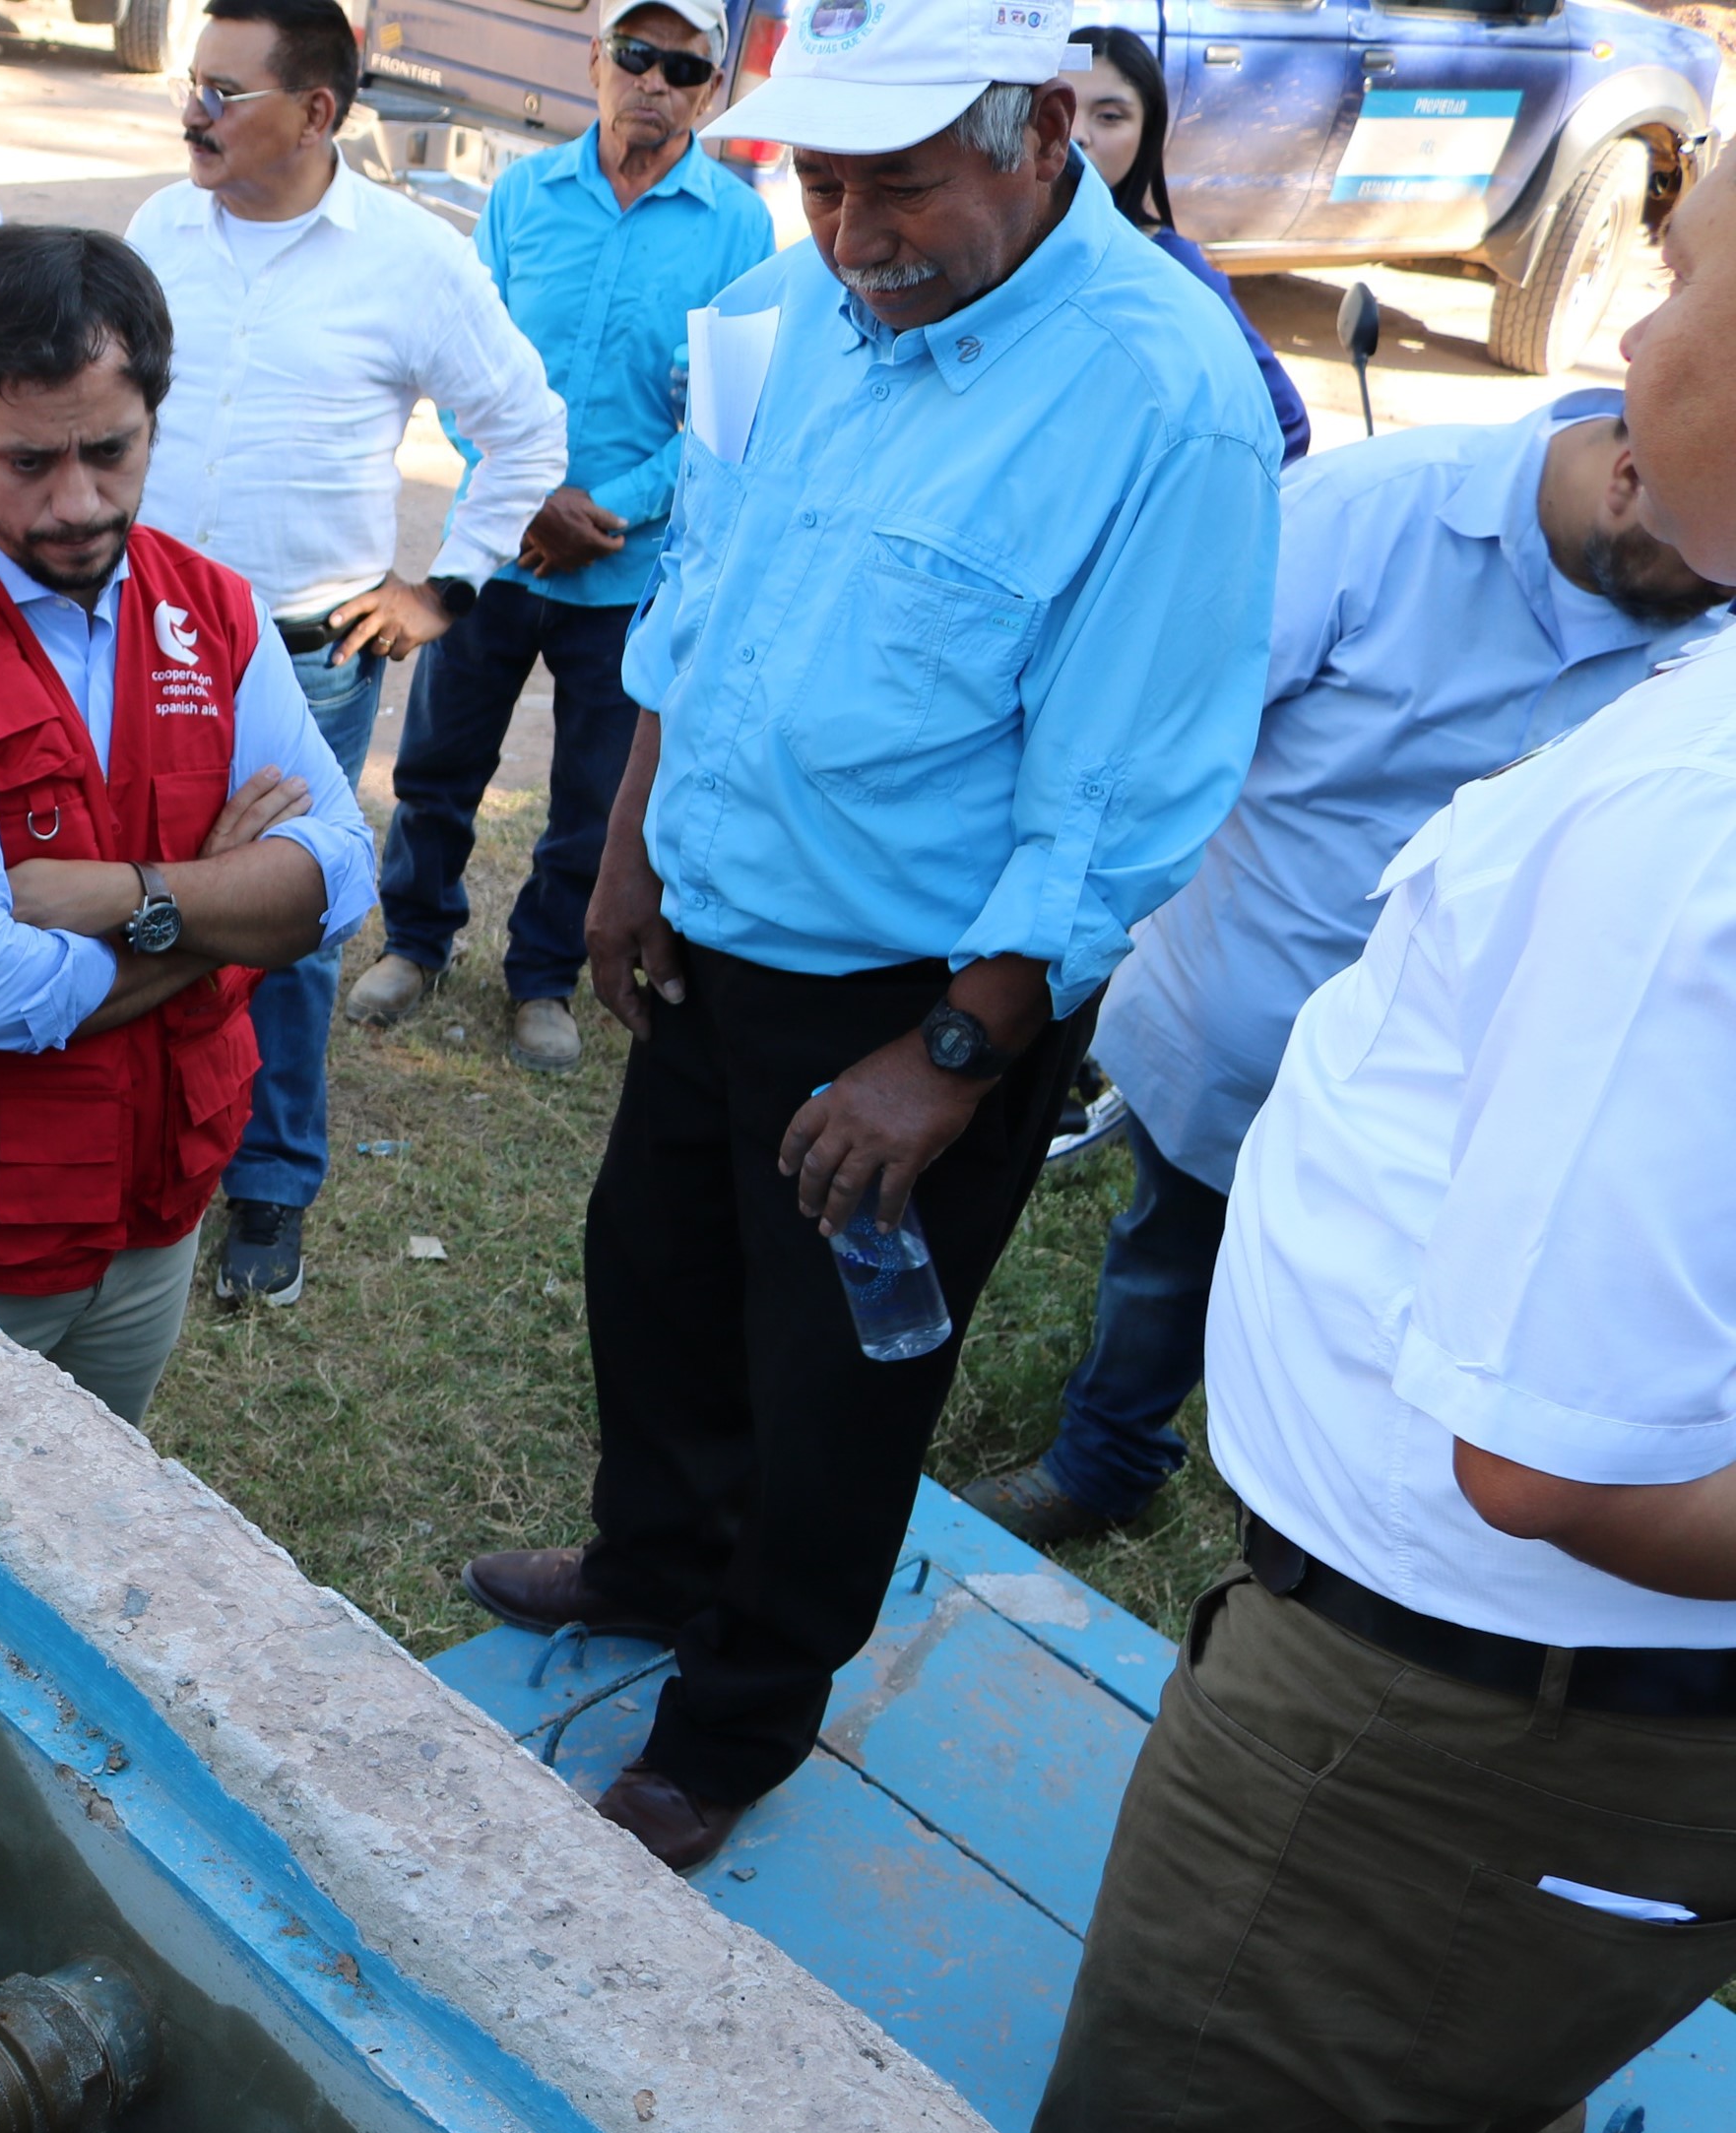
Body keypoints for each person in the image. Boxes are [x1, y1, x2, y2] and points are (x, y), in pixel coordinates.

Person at [1026, 166, 1736, 2133]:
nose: (1627, 339)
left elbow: (1554, 1460)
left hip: (1436, 1747)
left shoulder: (1694, 828)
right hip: (1553, 1772)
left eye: (1682, 278)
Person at [454, 0, 1283, 1872]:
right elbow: (708, 587)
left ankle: (739, 1714)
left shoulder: (1165, 401)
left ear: (1045, 133)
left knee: (837, 1382)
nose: (853, 238)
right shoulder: (796, 299)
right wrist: (628, 852)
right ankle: (653, 1562)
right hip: (711, 922)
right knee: (654, 1273)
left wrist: (951, 1056)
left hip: (915, 998)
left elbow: (1121, 792)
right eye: (821, 185)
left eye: (897, 189)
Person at [963, 392, 1729, 1548]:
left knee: (1428, 1321)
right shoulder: (1368, 515)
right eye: (1700, 584)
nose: (1711, 606)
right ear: (1630, 480)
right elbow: (1159, 742)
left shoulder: (1709, 589)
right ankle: (1105, 1459)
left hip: (1474, 1087)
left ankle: (1348, 1524)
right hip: (1246, 1034)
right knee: (1174, 1257)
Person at [0, 226, 373, 1425]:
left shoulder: (211, 609)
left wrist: (131, 895)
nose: (79, 501)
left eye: (111, 450)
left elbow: (342, 879)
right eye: (29, 462)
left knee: (98, 1486)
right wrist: (223, 902)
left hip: (158, 1204)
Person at [126, 0, 566, 1306]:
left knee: (286, 922)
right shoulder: (158, 231)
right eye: (193, 83)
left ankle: (269, 1184)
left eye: (226, 92)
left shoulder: (410, 260)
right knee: (139, 892)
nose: (194, 112)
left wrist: (445, 588)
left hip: (303, 660)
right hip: (141, 639)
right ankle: (141, 1148)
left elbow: (526, 429)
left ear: (318, 111)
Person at [349, 0, 771, 1082]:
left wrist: (608, 510)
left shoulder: (738, 227)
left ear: (710, 94)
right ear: (594, 62)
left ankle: (541, 976)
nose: (655, 82)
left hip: (627, 569)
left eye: (683, 68)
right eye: (635, 54)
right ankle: (414, 942)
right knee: (438, 765)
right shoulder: (523, 194)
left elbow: (729, 417)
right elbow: (460, 364)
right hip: (496, 547)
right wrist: (532, 495)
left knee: (591, 799)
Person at [1068, 25, 1308, 464]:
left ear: (1148, 132)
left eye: (1110, 116)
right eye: (1060, 109)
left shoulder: (1172, 266)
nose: (1077, 134)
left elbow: (1285, 421)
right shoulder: (993, 255)